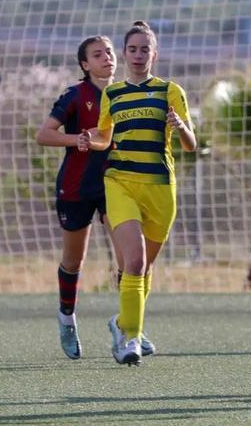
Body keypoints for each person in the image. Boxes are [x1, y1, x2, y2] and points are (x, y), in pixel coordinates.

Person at [81, 21, 197, 366]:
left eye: (144, 49)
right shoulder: (112, 93)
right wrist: (91, 141)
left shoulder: (169, 91)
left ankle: (123, 324)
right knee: (133, 262)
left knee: (144, 269)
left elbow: (191, 146)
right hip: (120, 182)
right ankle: (130, 339)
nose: (137, 54)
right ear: (125, 53)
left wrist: (181, 127)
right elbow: (105, 136)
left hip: (160, 188)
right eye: (132, 49)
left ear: (154, 54)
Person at [35, 35, 125, 360]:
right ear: (85, 65)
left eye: (110, 52)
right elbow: (43, 135)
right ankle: (66, 318)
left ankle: (127, 326)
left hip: (116, 185)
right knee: (74, 262)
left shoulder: (126, 94)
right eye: (97, 54)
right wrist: (77, 140)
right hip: (76, 187)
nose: (106, 58)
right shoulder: (76, 95)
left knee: (128, 260)